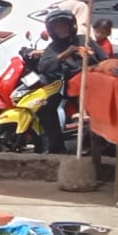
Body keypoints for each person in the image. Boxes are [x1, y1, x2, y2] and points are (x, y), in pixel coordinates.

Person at [35, 9, 101, 155]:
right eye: (57, 26)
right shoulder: (53, 47)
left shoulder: (84, 40)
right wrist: (64, 55)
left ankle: (93, 144)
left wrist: (90, 59)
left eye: (64, 25)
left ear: (71, 26)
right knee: (44, 109)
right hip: (65, 87)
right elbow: (43, 66)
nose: (61, 29)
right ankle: (56, 147)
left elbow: (104, 59)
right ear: (52, 30)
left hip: (90, 87)